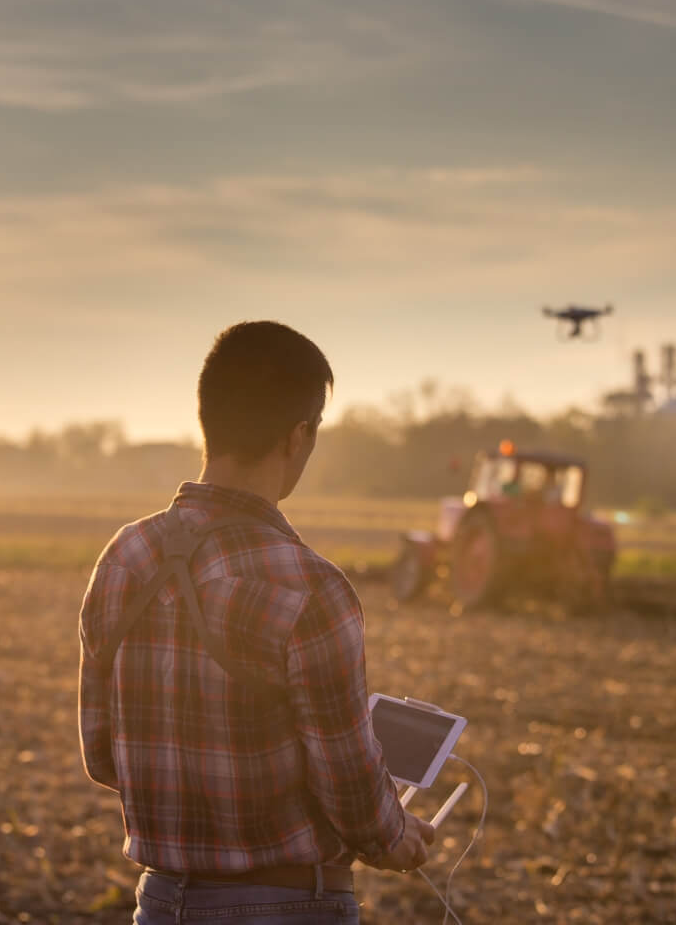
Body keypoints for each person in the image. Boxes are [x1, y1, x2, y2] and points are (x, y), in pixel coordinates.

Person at [79, 321, 434, 924]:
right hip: (290, 907)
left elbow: (101, 755)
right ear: (298, 436)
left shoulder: (124, 557)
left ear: (208, 419)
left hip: (160, 903)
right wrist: (394, 835)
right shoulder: (310, 585)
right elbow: (350, 786)